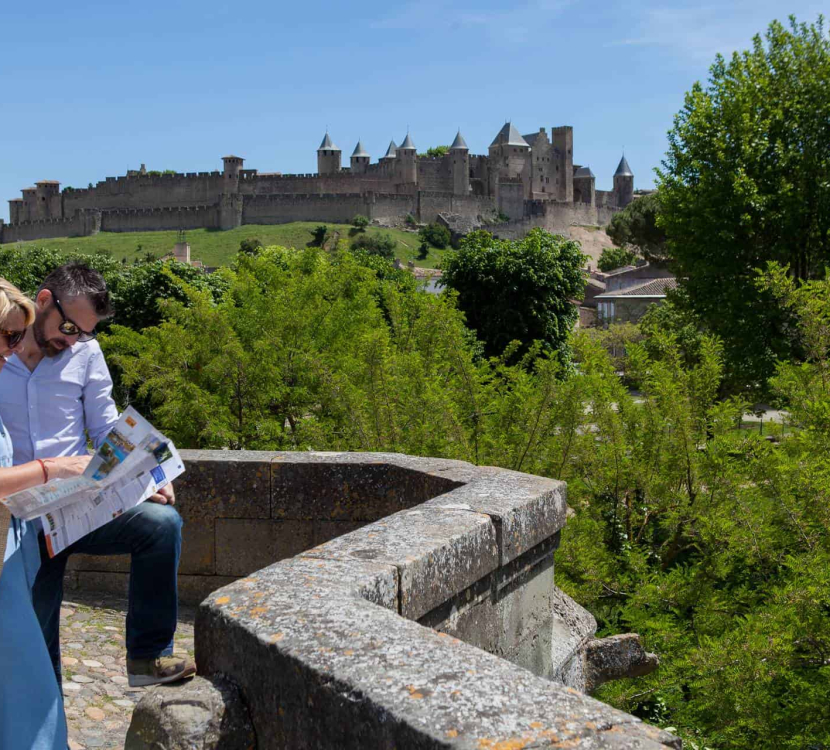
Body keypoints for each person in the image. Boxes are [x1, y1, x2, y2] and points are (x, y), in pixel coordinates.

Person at [0, 262, 195, 689]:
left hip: (77, 505)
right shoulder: (2, 353)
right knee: (34, 640)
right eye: (68, 327)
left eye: (84, 333)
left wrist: (151, 470)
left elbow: (108, 429)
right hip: (17, 518)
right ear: (45, 300)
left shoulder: (85, 351)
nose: (72, 340)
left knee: (162, 526)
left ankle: (147, 659)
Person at [0, 277, 93, 750]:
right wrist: (50, 468)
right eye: (8, 336)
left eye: (18, 337)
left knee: (26, 682)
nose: (13, 350)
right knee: (28, 684)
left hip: (10, 556)